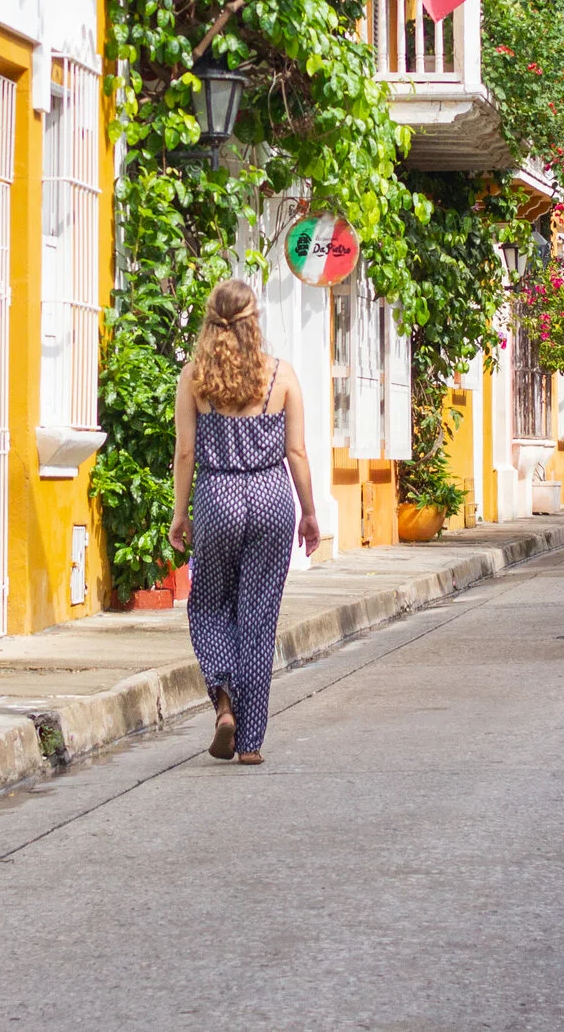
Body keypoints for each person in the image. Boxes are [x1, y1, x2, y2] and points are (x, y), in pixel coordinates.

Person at [168, 279, 320, 766]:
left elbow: (186, 452)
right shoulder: (282, 376)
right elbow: (295, 451)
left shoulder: (194, 378)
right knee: (257, 619)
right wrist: (310, 513)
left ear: (211, 322)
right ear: (255, 322)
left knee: (208, 607)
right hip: (273, 499)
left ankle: (225, 703)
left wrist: (179, 514)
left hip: (218, 498)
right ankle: (251, 743)